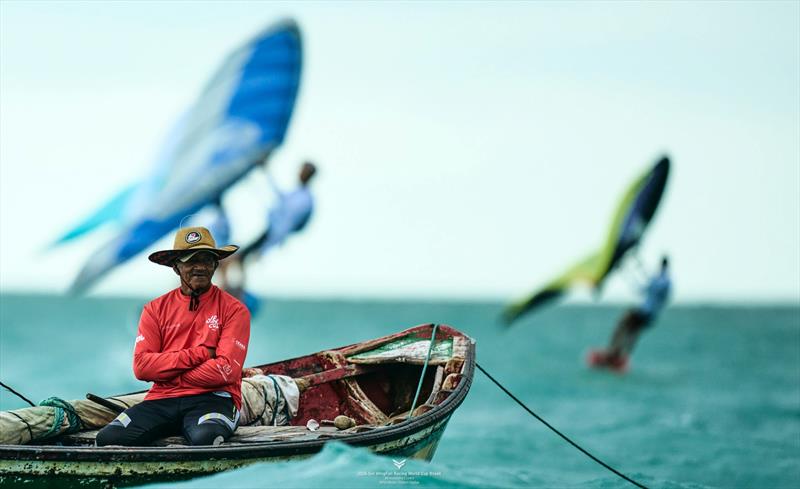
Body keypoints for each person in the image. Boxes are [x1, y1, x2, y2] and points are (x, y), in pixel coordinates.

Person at [96, 226, 250, 447]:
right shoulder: (154, 309)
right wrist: (201, 354)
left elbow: (224, 372)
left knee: (205, 438)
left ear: (216, 264)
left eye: (206, 259)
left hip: (215, 399)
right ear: (176, 267)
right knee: (108, 439)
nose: (199, 267)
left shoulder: (234, 310)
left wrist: (168, 373)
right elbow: (142, 368)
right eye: (190, 260)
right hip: (161, 399)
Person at [222, 161, 317, 294]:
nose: (299, 173)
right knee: (240, 259)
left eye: (302, 170)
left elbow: (287, 224)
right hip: (270, 232)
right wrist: (266, 172)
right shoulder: (298, 194)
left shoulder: (304, 200)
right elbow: (280, 197)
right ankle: (236, 291)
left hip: (271, 235)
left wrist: (266, 247)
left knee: (236, 258)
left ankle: (231, 291)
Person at [601, 256, 672, 365]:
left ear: (663, 266)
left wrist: (638, 268)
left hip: (646, 312)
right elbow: (641, 288)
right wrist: (627, 273)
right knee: (632, 331)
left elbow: (653, 285)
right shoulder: (659, 279)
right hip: (649, 315)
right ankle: (620, 355)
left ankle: (613, 351)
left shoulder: (665, 280)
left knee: (624, 324)